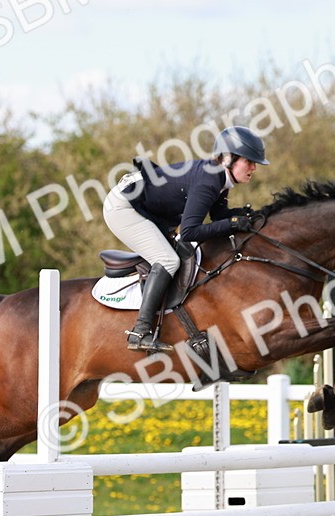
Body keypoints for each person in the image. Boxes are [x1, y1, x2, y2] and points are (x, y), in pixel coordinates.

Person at [102, 125, 269, 352]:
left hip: (142, 205)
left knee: (171, 256)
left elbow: (219, 215)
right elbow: (189, 232)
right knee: (169, 260)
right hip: (123, 207)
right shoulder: (209, 181)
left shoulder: (219, 179)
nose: (254, 168)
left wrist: (245, 215)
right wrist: (232, 224)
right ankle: (139, 331)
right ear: (229, 158)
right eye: (249, 161)